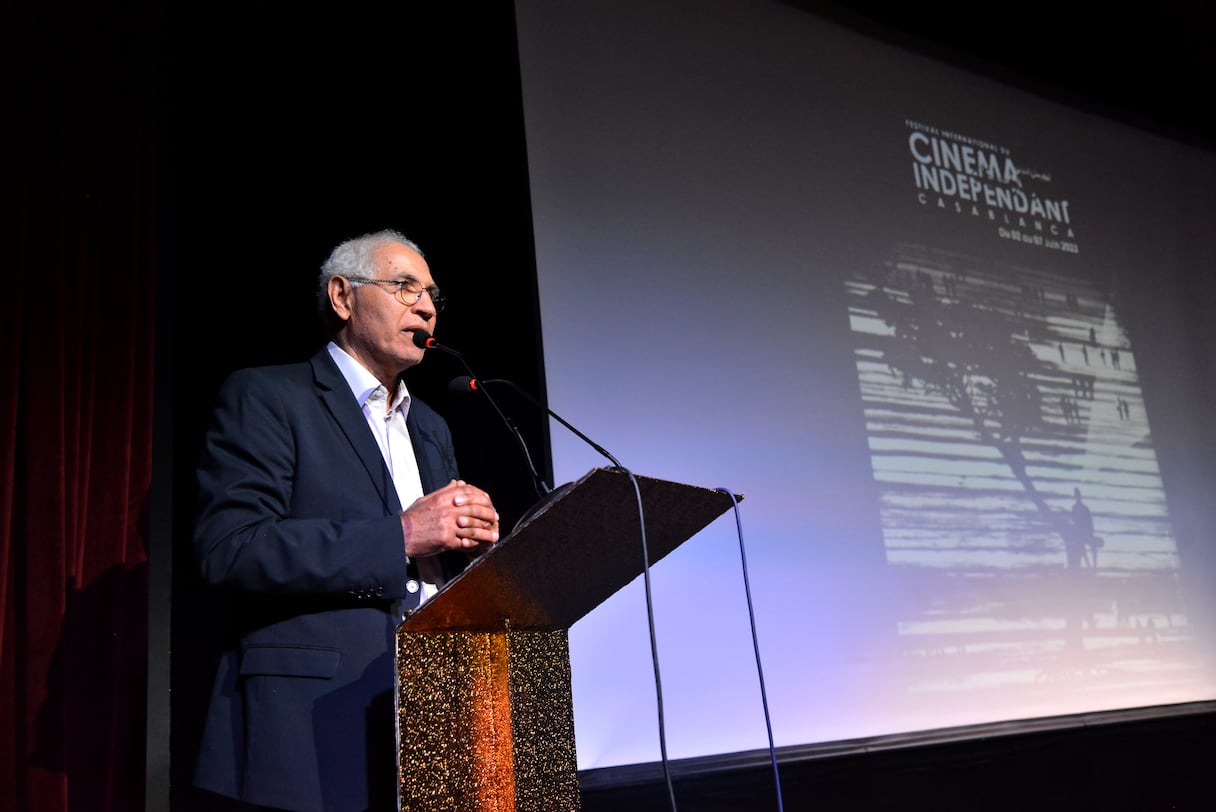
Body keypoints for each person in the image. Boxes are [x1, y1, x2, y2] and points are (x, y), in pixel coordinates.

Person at [191, 229, 501, 812]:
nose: (428, 306)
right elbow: (229, 547)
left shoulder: (430, 425)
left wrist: (473, 547)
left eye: (432, 293)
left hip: (435, 708)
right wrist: (403, 535)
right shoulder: (269, 396)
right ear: (342, 296)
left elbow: (430, 563)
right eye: (405, 287)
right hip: (312, 715)